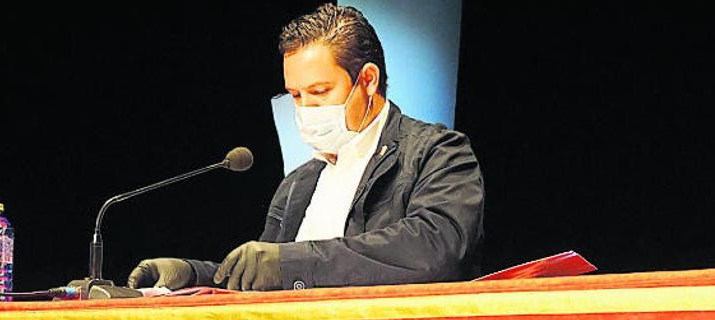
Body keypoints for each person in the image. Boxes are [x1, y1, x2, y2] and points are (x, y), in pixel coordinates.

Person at [127, 3, 484, 292]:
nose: (305, 109)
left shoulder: (438, 153)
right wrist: (194, 275)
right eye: (295, 95)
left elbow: (435, 249)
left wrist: (292, 264)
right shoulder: (300, 182)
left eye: (319, 92)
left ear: (368, 80)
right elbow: (263, 274)